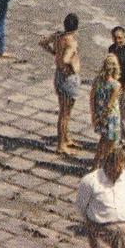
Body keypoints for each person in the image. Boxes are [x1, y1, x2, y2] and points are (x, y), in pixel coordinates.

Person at [74, 147, 125, 248]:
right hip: (100, 230)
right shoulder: (91, 181)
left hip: (122, 229)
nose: (118, 173)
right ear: (107, 165)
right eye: (115, 170)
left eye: (121, 169)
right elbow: (81, 206)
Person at [39, 14, 82, 157]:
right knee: (65, 114)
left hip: (58, 75)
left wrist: (54, 53)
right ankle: (61, 144)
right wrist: (73, 66)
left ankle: (65, 138)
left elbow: (43, 42)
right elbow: (65, 58)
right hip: (67, 78)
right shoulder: (71, 42)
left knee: (65, 113)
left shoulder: (58, 35)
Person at [90, 54, 122, 162]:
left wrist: (94, 115)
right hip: (111, 116)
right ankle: (106, 165)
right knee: (110, 144)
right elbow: (110, 105)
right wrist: (103, 116)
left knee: (102, 141)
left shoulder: (97, 81)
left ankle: (96, 163)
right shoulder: (115, 85)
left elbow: (92, 98)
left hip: (99, 113)